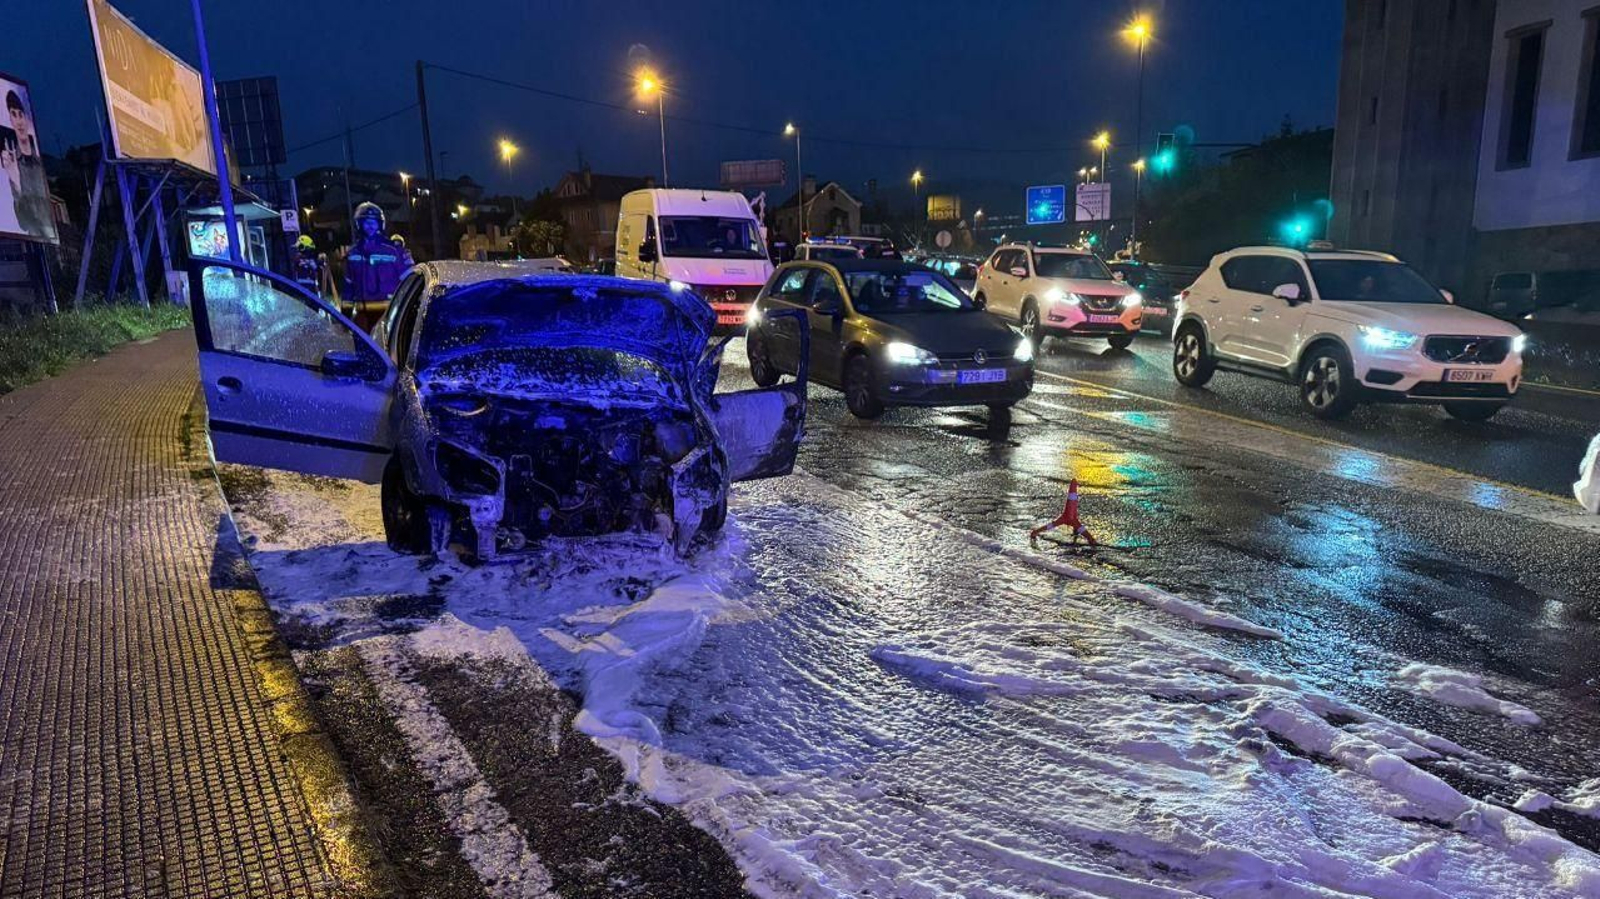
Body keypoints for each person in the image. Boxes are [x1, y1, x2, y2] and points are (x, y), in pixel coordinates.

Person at [343, 202, 412, 329]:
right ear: (359, 224)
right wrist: (345, 318)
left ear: (380, 224)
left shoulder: (395, 251)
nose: (370, 226)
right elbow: (348, 288)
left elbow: (409, 283)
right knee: (361, 347)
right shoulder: (353, 254)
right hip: (362, 317)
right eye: (366, 223)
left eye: (373, 222)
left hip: (389, 315)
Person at [4, 91, 52, 240]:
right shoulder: (12, 164)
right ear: (10, 119)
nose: (19, 121)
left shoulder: (38, 161)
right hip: (37, 237)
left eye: (21, 114)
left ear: (26, 118)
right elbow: (24, 223)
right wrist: (16, 181)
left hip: (49, 234)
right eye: (14, 114)